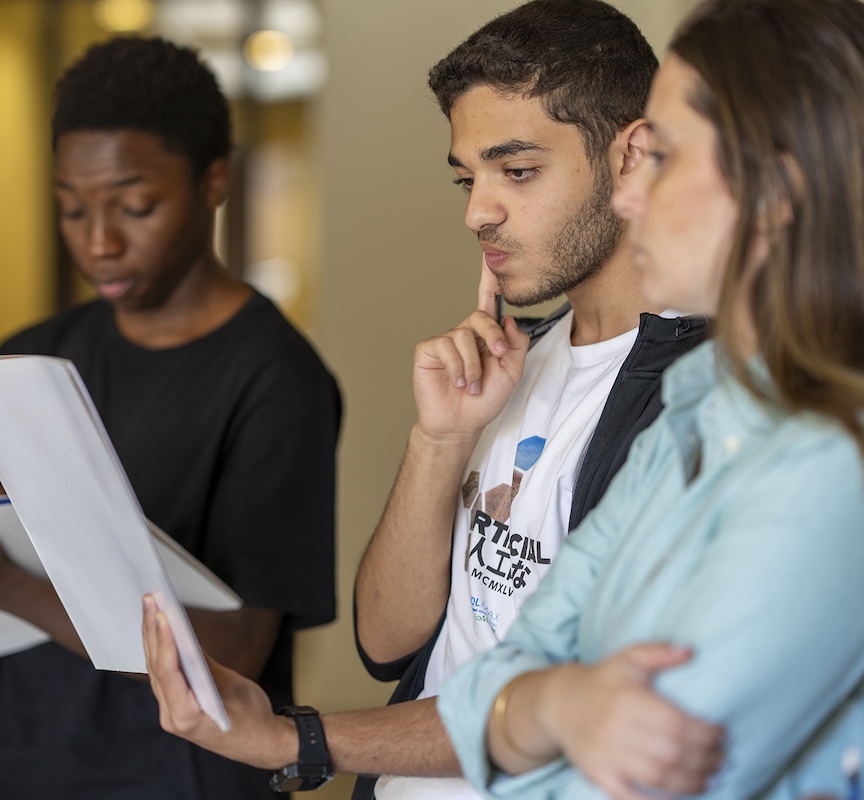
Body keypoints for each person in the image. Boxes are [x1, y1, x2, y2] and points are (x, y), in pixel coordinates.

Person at [141, 2, 711, 797]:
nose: (477, 211)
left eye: (517, 172)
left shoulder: (705, 400)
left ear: (631, 158)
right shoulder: (516, 361)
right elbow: (387, 641)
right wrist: (440, 440)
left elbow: (587, 704)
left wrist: (294, 740)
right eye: (467, 177)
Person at [0, 36, 341, 800]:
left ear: (214, 182)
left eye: (136, 207)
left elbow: (230, 651)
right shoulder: (32, 356)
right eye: (72, 208)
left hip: (177, 772)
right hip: (10, 751)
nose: (98, 243)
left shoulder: (278, 381)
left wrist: (3, 579)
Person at [432, 0, 864, 798]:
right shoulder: (699, 405)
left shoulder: (847, 472)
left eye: (660, 158)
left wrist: (538, 712)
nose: (629, 197)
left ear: (776, 192)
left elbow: (630, 781)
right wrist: (556, 699)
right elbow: (505, 665)